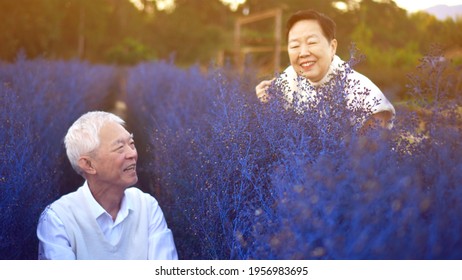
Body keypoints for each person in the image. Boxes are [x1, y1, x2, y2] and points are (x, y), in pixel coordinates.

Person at [37, 111, 178, 260]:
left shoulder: (147, 206)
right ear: (88, 164)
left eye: (131, 144)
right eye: (120, 148)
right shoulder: (57, 219)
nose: (132, 154)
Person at [255, 9, 395, 130]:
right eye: (295, 46)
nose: (303, 53)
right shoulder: (289, 77)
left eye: (312, 42)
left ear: (332, 47)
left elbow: (371, 153)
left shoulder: (363, 92)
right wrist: (266, 100)